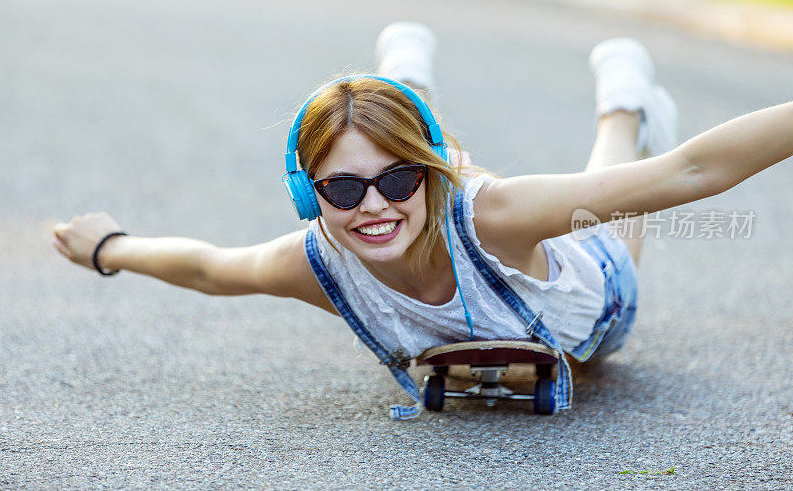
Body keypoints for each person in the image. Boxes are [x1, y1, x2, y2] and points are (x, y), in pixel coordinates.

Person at [51, 22, 793, 419]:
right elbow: (213, 268)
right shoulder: (318, 260)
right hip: (471, 234)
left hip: (591, 299)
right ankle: (404, 84)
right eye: (340, 190)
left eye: (399, 177)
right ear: (309, 196)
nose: (372, 205)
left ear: (427, 174)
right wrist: (111, 248)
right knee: (397, 148)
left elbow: (689, 172)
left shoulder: (494, 214)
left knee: (608, 201)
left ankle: (624, 101)